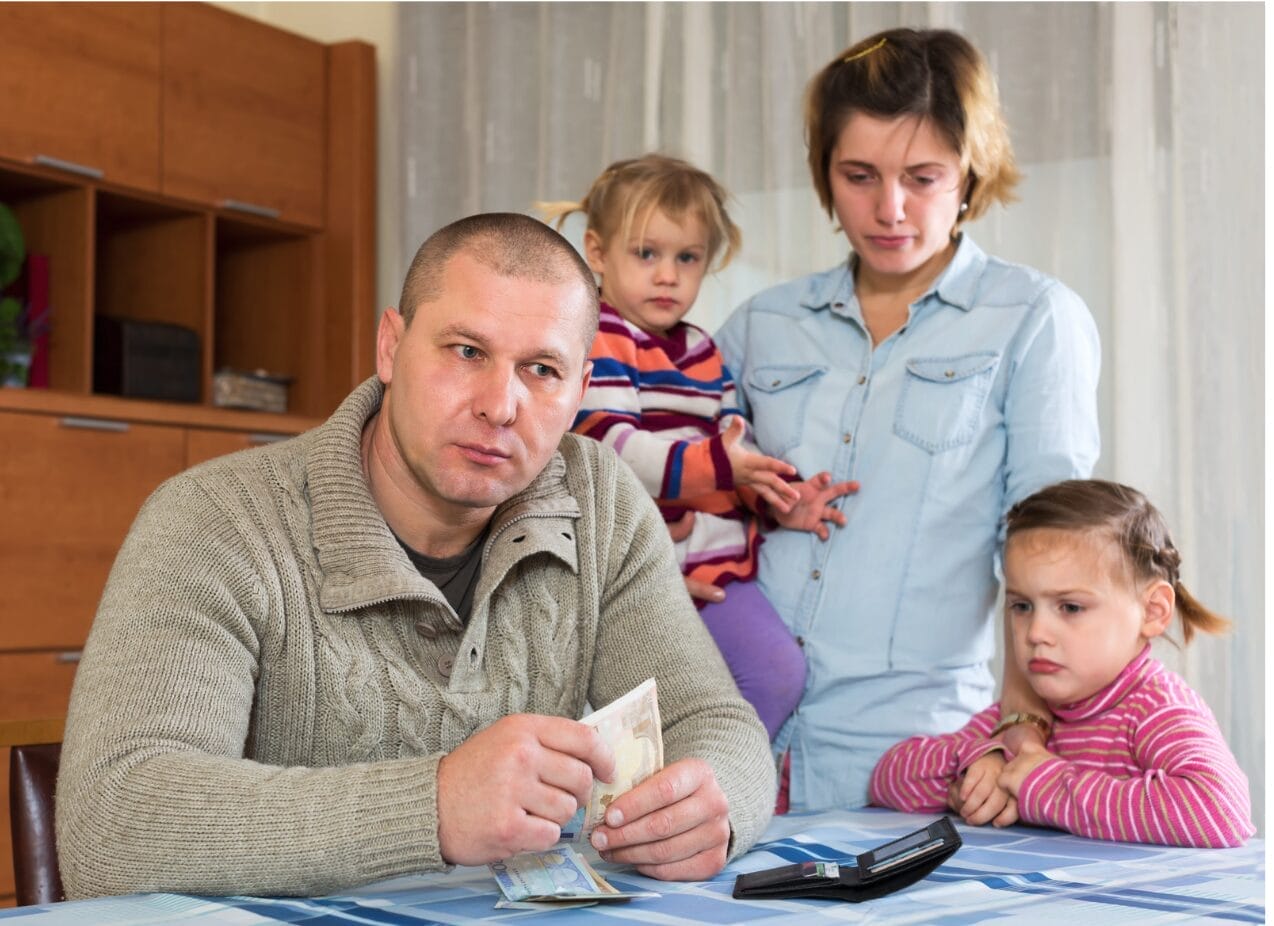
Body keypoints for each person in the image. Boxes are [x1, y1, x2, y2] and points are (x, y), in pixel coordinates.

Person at [55, 213, 776, 899]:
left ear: (581, 391)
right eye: (467, 352)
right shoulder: (215, 520)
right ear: (390, 347)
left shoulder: (600, 501)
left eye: (541, 370)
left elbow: (716, 722)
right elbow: (111, 825)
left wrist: (711, 808)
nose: (500, 405)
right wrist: (431, 806)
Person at [715, 28, 1101, 811]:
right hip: (728, 737)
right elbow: (676, 490)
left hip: (913, 760)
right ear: (825, 173)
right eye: (859, 176)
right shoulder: (761, 325)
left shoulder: (1033, 319)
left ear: (970, 171)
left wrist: (1024, 725)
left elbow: (1049, 555)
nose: (889, 210)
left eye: (923, 178)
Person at [542, 154, 857, 740]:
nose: (668, 275)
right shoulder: (599, 337)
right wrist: (718, 466)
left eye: (687, 258)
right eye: (647, 253)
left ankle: (712, 778)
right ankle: (687, 780)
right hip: (630, 568)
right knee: (646, 707)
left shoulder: (703, 352)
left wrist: (778, 498)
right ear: (597, 253)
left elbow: (736, 446)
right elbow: (611, 450)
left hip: (709, 566)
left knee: (775, 674)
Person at [869, 479, 1254, 848]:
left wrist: (1047, 786)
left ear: (1153, 611)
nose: (1036, 633)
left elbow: (1220, 810)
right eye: (1022, 606)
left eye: (1070, 607)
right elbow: (887, 778)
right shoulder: (1023, 719)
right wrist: (975, 766)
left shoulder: (1156, 709)